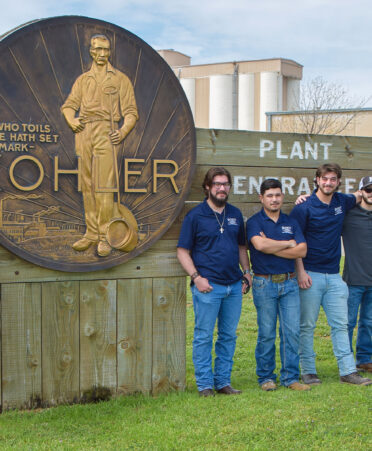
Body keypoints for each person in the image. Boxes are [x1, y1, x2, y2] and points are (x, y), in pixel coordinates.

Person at [290, 163, 371, 386]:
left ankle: (348, 371)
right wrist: (301, 272)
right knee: (307, 325)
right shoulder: (304, 207)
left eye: (333, 179)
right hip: (310, 275)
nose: (328, 183)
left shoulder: (341, 201)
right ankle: (308, 370)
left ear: (338, 182)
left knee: (341, 324)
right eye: (324, 179)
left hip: (335, 276)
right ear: (316, 180)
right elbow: (295, 242)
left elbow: (359, 194)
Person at [61, 34, 139, 257]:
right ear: (92, 52)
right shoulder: (83, 80)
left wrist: (122, 131)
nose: (102, 54)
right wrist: (72, 120)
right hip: (84, 131)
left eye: (106, 50)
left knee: (104, 186)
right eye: (98, 50)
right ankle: (91, 233)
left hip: (107, 131)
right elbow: (68, 106)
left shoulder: (120, 79)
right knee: (87, 184)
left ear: (109, 52)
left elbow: (132, 113)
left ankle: (105, 236)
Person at [177, 167, 251, 397]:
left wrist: (247, 272)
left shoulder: (235, 214)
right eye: (217, 184)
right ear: (208, 187)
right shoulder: (195, 216)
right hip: (208, 288)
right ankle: (205, 385)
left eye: (226, 184)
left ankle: (223, 382)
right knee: (203, 336)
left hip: (233, 286)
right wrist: (196, 278)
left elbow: (241, 246)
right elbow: (182, 251)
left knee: (228, 336)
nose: (222, 188)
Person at [246, 179, 310, 391]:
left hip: (290, 282)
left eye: (278, 195)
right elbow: (259, 244)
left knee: (291, 332)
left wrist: (271, 246)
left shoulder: (291, 222)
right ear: (261, 198)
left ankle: (290, 378)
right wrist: (287, 243)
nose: (274, 199)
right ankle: (266, 378)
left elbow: (301, 251)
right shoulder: (255, 222)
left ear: (283, 196)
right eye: (270, 195)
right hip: (265, 283)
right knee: (267, 332)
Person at [342, 175, 372, 373]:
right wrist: (304, 197)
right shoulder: (348, 214)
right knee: (348, 322)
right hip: (353, 279)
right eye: (369, 190)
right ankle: (345, 360)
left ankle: (364, 358)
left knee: (369, 323)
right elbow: (324, 205)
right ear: (361, 191)